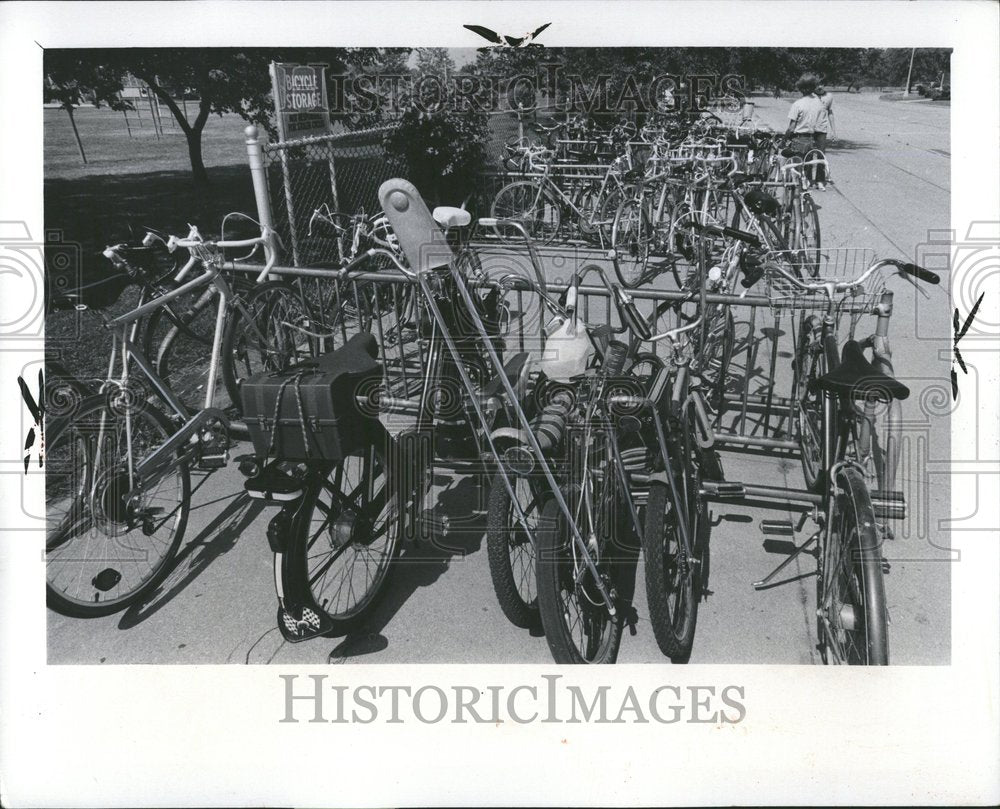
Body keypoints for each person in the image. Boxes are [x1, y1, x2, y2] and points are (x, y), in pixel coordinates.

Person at [784, 73, 828, 190]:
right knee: (814, 159)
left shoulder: (798, 104)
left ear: (801, 89)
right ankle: (815, 181)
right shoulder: (819, 103)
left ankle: (801, 183)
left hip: (801, 137)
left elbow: (791, 127)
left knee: (799, 162)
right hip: (815, 136)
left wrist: (785, 138)